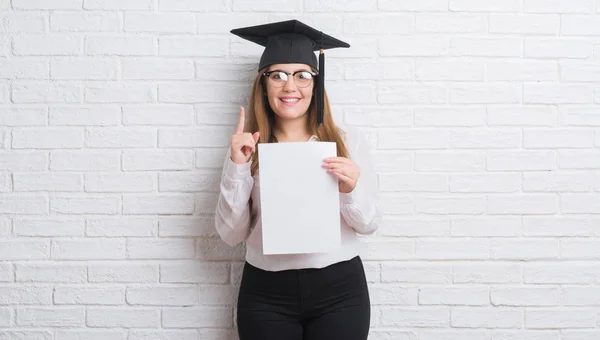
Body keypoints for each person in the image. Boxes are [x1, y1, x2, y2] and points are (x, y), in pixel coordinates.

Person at [214, 19, 383, 340]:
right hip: (266, 292)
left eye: (302, 75)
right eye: (277, 75)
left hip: (340, 290)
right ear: (262, 84)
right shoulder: (247, 146)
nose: (290, 86)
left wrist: (350, 189)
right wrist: (238, 167)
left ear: (316, 83)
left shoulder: (346, 141)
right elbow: (231, 235)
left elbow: (370, 224)